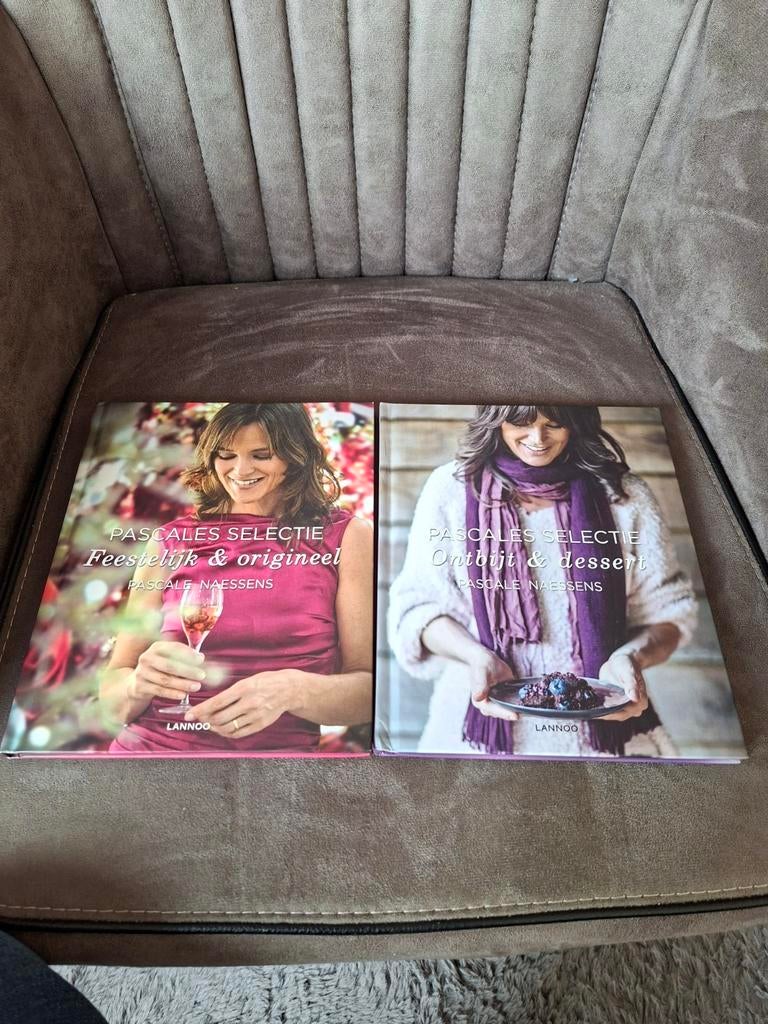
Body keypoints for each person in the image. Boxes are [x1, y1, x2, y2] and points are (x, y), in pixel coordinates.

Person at [388, 405, 697, 758]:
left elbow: (669, 613)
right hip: (476, 734)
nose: (538, 438)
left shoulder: (625, 495)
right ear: (496, 418)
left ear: (576, 421)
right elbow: (418, 611)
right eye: (521, 422)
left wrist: (631, 657)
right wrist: (475, 657)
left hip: (607, 739)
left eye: (555, 423)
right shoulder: (451, 489)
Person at [99, 403, 373, 753]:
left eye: (261, 455)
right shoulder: (169, 540)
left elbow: (367, 693)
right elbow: (113, 698)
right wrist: (137, 684)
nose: (240, 470)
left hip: (277, 769)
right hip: (147, 757)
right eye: (226, 455)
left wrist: (293, 690)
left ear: (295, 457)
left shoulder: (346, 536)